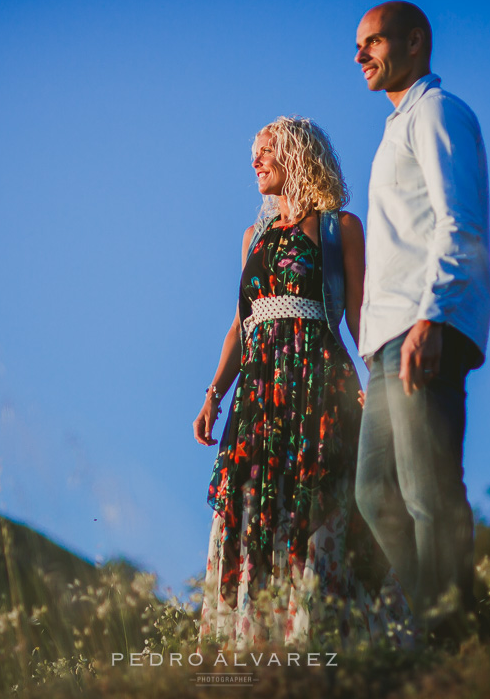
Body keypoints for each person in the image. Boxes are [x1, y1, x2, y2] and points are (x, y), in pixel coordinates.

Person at [193, 116, 411, 649]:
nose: (255, 161)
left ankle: (325, 645)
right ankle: (258, 646)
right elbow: (241, 326)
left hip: (320, 387)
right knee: (255, 514)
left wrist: (374, 376)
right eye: (254, 153)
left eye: (266, 150)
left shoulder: (341, 229)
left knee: (321, 512)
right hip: (258, 398)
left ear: (296, 155)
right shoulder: (253, 237)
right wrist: (213, 394)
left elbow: (358, 315)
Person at [351, 1, 490, 633]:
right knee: (374, 493)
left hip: (422, 324)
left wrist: (431, 320)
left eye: (373, 42)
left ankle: (453, 639)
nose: (361, 56)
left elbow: (459, 222)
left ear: (415, 43)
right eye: (358, 47)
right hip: (384, 340)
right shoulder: (394, 128)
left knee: (428, 494)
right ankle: (441, 622)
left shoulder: (437, 112)